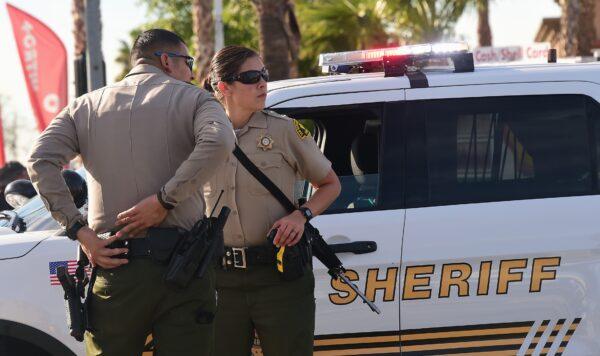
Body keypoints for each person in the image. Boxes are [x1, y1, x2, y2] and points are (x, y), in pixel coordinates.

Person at [27, 29, 235, 356]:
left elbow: (39, 160)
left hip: (114, 265)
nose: (192, 73)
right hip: (184, 267)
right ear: (166, 60)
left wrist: (79, 231)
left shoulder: (84, 106)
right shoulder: (195, 98)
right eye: (188, 62)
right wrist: (166, 200)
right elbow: (221, 140)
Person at [201, 45, 341, 356]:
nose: (263, 83)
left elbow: (330, 184)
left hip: (280, 277)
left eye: (264, 74)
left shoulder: (285, 130)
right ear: (224, 87)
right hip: (219, 281)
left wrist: (301, 215)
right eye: (251, 77)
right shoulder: (201, 137)